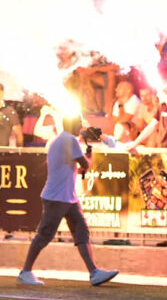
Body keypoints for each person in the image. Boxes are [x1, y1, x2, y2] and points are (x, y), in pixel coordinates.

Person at [17, 117, 118, 287]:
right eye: (78, 123)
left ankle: (94, 272)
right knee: (45, 234)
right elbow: (85, 165)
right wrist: (90, 156)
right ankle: (25, 271)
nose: (81, 126)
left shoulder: (61, 139)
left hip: (66, 197)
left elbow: (69, 168)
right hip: (58, 197)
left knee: (81, 231)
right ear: (73, 124)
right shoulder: (70, 140)